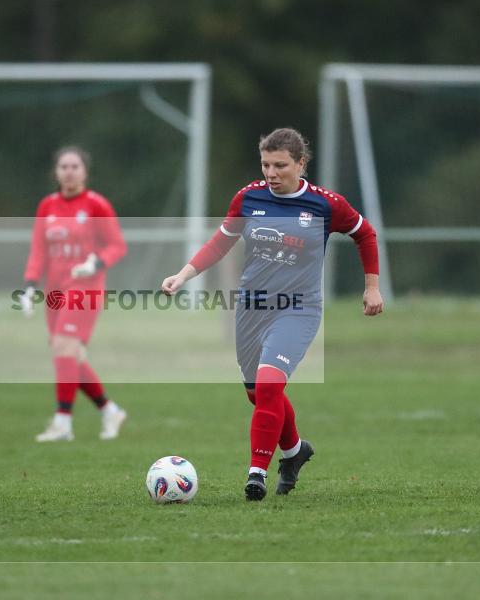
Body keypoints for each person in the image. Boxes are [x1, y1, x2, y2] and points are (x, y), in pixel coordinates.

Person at [161, 128, 383, 501]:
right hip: (251, 309)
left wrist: (372, 286)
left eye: (280, 165)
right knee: (258, 394)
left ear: (300, 163)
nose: (272, 172)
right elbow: (221, 242)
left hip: (298, 309)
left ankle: (256, 474)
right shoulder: (248, 198)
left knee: (267, 386)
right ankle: (295, 452)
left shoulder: (325, 204)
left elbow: (366, 234)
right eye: (266, 164)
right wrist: (184, 275)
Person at [21, 147, 128, 442]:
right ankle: (109, 410)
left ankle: (63, 422)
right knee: (67, 353)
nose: (69, 171)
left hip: (86, 288)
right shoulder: (47, 206)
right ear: (56, 171)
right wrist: (30, 284)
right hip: (55, 292)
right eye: (64, 166)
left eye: (75, 166)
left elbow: (117, 245)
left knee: (65, 348)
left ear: (85, 172)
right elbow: (39, 250)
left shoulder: (96, 205)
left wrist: (96, 262)